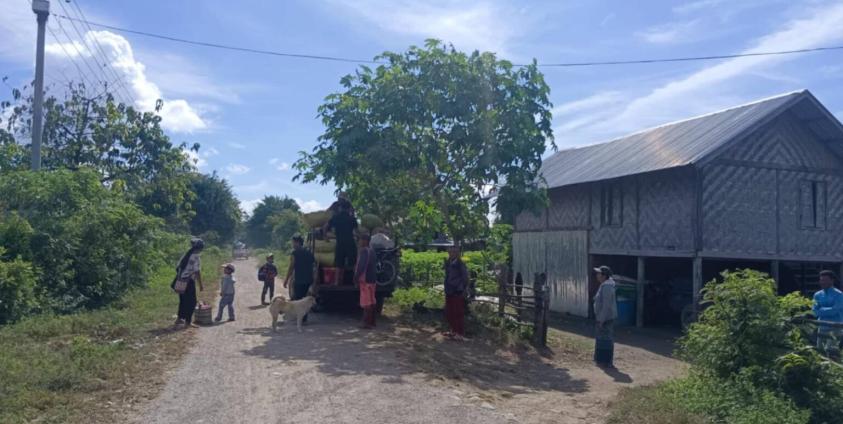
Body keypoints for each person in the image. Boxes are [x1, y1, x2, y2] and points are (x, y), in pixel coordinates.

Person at [172, 238, 204, 328]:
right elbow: (197, 272)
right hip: (189, 282)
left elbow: (177, 267)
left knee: (183, 301)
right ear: (200, 248)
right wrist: (200, 285)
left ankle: (179, 319)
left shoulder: (186, 254)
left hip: (180, 280)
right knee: (191, 302)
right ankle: (188, 322)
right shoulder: (196, 257)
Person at [325, 202, 358, 286]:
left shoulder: (335, 217)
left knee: (338, 264)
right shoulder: (351, 218)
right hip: (350, 242)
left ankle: (336, 282)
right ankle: (355, 282)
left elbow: (326, 227)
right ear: (348, 209)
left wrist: (325, 236)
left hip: (340, 242)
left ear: (340, 208)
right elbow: (356, 231)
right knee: (353, 263)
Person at [284, 235, 316, 322]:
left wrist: (286, 279)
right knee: (305, 300)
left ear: (298, 242)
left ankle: (299, 318)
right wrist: (314, 280)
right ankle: (304, 318)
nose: (292, 244)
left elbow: (291, 267)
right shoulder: (309, 253)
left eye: (293, 242)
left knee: (298, 300)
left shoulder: (294, 253)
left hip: (299, 280)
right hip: (309, 280)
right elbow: (314, 267)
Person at [813, 270, 843, 358]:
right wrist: (826, 310)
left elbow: (834, 310)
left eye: (825, 280)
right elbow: (814, 311)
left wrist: (821, 309)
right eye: (821, 280)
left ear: (832, 280)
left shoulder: (839, 295)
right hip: (821, 326)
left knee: (831, 351)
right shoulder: (817, 295)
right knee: (819, 350)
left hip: (835, 326)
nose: (822, 282)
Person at [593, 265, 618, 368]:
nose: (597, 275)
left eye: (599, 273)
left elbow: (606, 305)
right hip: (604, 317)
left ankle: (606, 361)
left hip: (606, 318)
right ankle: (601, 360)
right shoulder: (604, 285)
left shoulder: (607, 287)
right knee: (602, 338)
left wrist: (601, 319)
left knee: (605, 339)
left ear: (604, 276)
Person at [444, 246, 469, 341]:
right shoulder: (448, 263)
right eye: (450, 252)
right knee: (450, 312)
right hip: (449, 290)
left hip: (457, 291)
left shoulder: (460, 264)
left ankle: (459, 333)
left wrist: (462, 288)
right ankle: (453, 331)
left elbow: (465, 278)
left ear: (457, 254)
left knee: (458, 312)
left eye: (454, 252)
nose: (451, 254)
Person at [355, 234, 377, 329]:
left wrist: (356, 277)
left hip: (365, 280)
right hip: (372, 279)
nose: (359, 242)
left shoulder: (364, 251)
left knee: (366, 302)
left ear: (365, 241)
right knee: (372, 301)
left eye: (360, 240)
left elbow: (361, 266)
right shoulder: (372, 251)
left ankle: (366, 322)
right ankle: (372, 322)